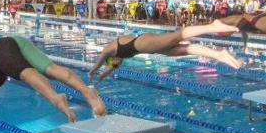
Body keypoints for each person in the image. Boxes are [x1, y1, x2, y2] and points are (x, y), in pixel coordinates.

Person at [0, 36, 106, 124]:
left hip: (1, 47)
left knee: (25, 73)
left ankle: (56, 98)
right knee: (51, 70)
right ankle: (88, 92)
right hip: (17, 42)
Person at [88, 23, 242, 81]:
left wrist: (92, 71)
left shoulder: (110, 49)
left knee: (178, 36)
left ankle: (213, 26)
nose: (116, 64)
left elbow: (101, 59)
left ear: (112, 57)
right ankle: (219, 55)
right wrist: (100, 77)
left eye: (114, 62)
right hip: (149, 47)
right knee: (186, 50)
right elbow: (108, 68)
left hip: (143, 42)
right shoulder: (117, 57)